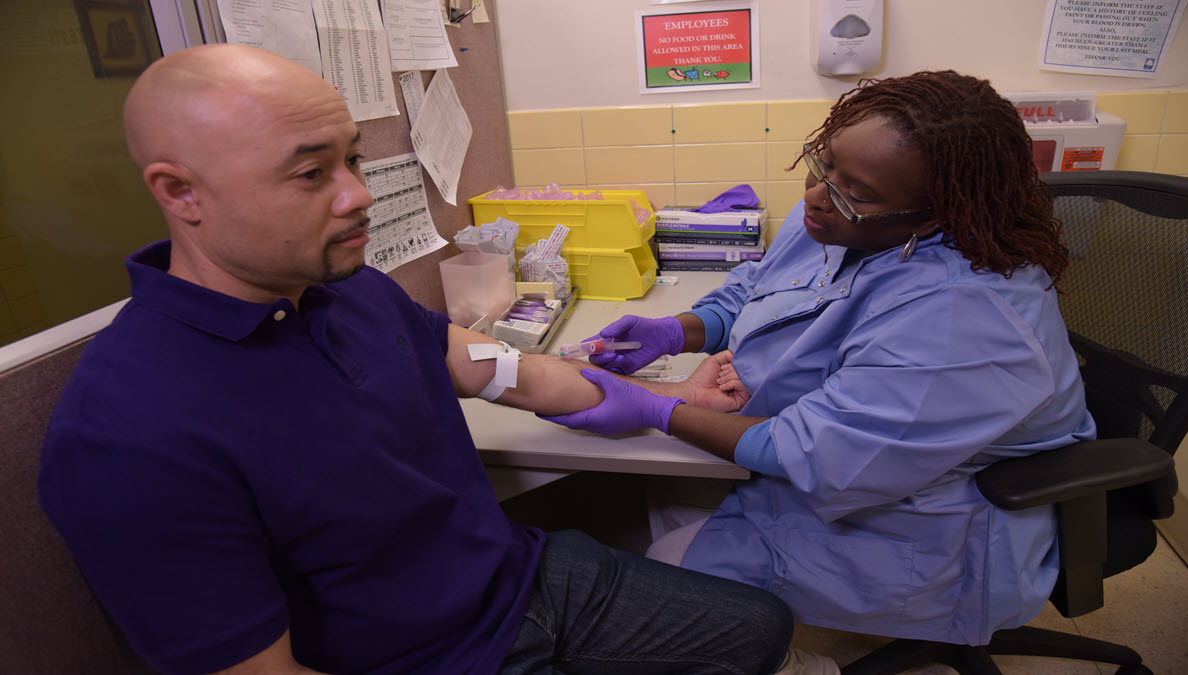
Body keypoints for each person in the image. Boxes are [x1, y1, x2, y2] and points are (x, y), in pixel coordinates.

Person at [35, 44, 841, 675]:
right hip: (421, 662)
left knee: (761, 627)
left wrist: (666, 399)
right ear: (180, 193)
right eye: (313, 172)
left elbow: (511, 372)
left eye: (351, 158)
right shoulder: (128, 432)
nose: (357, 194)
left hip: (516, 579)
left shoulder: (344, 290)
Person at [541, 70, 1097, 648]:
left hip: (932, 519)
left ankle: (795, 660)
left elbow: (818, 452)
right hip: (825, 450)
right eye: (824, 162)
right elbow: (758, 290)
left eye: (854, 190)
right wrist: (676, 331)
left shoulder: (967, 315)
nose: (815, 193)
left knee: (667, 584)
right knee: (642, 511)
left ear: (934, 216)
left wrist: (656, 410)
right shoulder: (842, 219)